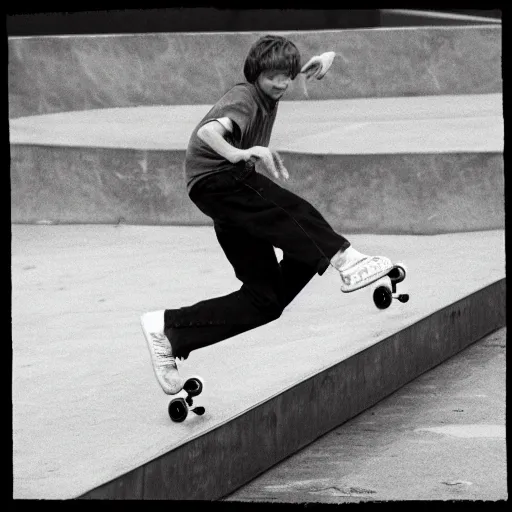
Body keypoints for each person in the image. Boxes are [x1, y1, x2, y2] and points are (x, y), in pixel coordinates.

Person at [141, 35, 393, 394]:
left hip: (222, 198)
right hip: (218, 180)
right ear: (256, 72)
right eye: (273, 76)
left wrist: (324, 58)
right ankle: (346, 259)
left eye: (287, 78)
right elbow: (208, 131)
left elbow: (294, 67)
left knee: (265, 300)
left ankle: (171, 331)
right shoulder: (244, 97)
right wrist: (235, 153)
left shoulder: (273, 88)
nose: (281, 84)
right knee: (290, 211)